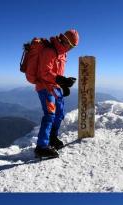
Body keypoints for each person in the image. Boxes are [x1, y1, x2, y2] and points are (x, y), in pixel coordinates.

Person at [34, 29, 79, 158]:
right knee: (50, 115)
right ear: (64, 40)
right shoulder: (49, 51)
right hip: (45, 88)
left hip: (55, 87)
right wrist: (61, 80)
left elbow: (57, 74)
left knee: (59, 114)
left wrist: (63, 84)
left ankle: (52, 138)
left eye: (73, 47)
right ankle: (41, 147)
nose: (70, 49)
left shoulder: (63, 54)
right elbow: (44, 73)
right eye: (70, 45)